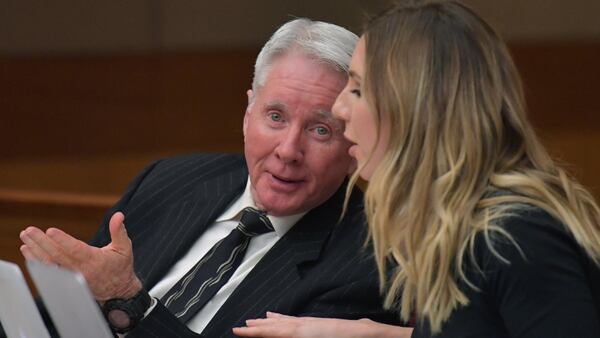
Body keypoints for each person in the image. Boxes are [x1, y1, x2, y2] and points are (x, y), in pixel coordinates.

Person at [18, 18, 407, 338]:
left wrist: (130, 303)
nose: (288, 151)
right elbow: (61, 318)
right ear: (247, 113)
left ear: (354, 142)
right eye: (275, 117)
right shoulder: (169, 179)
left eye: (321, 130)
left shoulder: (370, 265)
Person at [233, 1, 600, 337]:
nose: (341, 110)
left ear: (414, 113)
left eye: (357, 91)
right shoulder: (457, 222)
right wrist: (368, 334)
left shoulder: (515, 234)